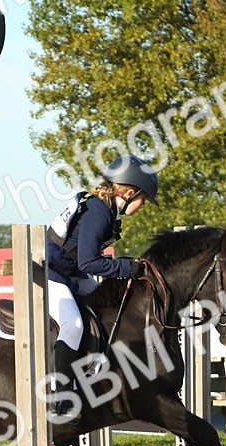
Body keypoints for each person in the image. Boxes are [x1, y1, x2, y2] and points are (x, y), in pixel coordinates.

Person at [45, 154, 158, 418]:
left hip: (67, 271)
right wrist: (127, 268)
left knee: (106, 304)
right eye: (143, 200)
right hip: (50, 273)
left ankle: (93, 368)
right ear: (129, 192)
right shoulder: (100, 211)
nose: (142, 206)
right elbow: (88, 262)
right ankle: (60, 396)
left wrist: (125, 267)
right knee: (72, 325)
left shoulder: (105, 208)